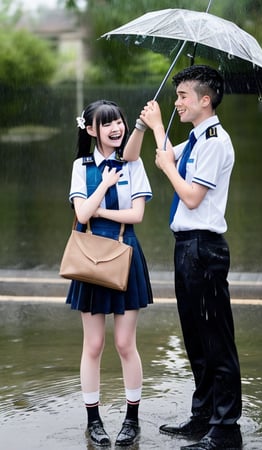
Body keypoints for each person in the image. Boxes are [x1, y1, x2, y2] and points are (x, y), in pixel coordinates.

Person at [124, 65, 242, 450]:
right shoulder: (194, 139)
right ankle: (203, 416)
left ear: (204, 100)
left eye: (183, 97)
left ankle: (225, 429)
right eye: (176, 97)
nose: (177, 103)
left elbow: (191, 196)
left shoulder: (214, 142)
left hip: (205, 248)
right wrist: (151, 126)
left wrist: (167, 163)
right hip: (187, 248)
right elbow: (156, 156)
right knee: (195, 337)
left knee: (216, 339)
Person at [66, 99, 153, 447]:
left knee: (124, 343)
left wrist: (101, 209)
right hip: (89, 257)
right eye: (107, 124)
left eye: (119, 121)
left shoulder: (133, 163)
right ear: (91, 130)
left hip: (126, 253)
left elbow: (137, 216)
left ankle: (131, 420)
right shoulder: (81, 166)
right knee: (94, 344)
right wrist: (103, 185)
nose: (116, 128)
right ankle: (94, 421)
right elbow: (82, 214)